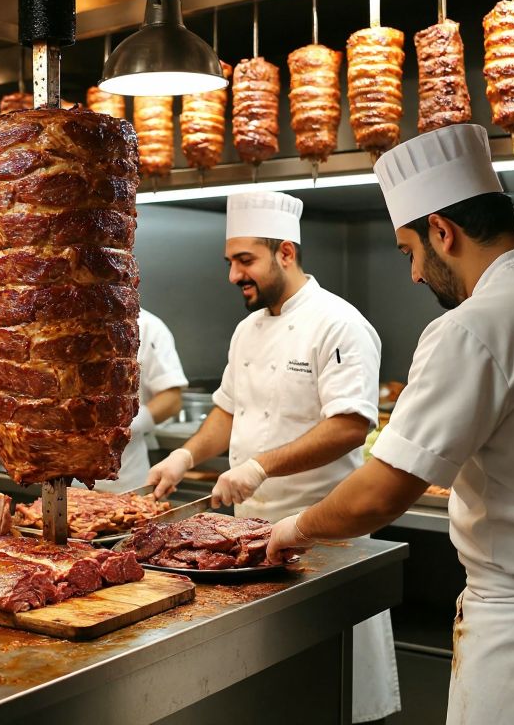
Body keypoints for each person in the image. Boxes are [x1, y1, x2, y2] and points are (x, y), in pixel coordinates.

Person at [266, 124, 514, 725]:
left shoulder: (471, 326)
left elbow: (379, 494)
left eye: (410, 251)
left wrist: (291, 529)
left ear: (442, 232)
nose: (415, 275)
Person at [147, 191, 400, 723]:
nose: (234, 275)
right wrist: (185, 457)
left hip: (322, 539)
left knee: (332, 691)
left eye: (246, 261)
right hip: (246, 544)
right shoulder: (247, 329)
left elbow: (353, 425)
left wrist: (260, 466)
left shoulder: (339, 323)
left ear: (286, 252)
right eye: (230, 263)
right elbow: (227, 412)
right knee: (266, 694)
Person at [98, 308, 188, 494]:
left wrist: (128, 426)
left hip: (123, 479)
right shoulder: (62, 322)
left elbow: (172, 399)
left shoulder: (148, 326)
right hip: (60, 481)